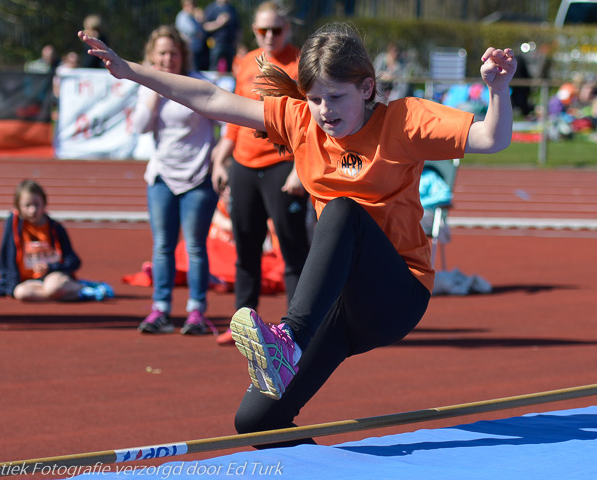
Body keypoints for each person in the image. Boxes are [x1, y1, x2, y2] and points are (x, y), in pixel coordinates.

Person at [79, 22, 515, 445]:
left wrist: (498, 89)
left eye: (336, 97)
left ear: (366, 89)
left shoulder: (403, 121)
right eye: (315, 98)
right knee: (256, 421)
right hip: (341, 307)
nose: (325, 111)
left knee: (343, 211)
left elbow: (491, 139)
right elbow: (212, 97)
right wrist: (130, 69)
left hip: (396, 294)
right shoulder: (300, 120)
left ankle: (288, 338)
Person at [210, 1, 309, 344]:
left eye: (277, 30)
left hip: (284, 166)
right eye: (262, 30)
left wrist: (300, 169)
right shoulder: (246, 62)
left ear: (289, 29)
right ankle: (243, 327)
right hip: (244, 166)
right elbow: (237, 113)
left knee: (293, 249)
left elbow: (311, 123)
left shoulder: (301, 64)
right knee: (246, 248)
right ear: (254, 30)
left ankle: (299, 329)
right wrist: (222, 153)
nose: (269, 36)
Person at [131, 25, 219, 335]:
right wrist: (155, 89)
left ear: (183, 55)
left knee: (195, 247)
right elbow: (139, 126)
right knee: (163, 246)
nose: (168, 59)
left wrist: (219, 161)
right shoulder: (147, 86)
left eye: (174, 53)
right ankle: (161, 309)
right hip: (162, 178)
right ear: (152, 57)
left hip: (197, 178)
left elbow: (225, 122)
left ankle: (196, 311)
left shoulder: (199, 84)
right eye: (162, 54)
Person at [0, 179, 115, 303]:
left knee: (53, 287)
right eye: (27, 205)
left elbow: (74, 261)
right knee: (20, 293)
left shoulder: (55, 228)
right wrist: (0, 289)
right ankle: (71, 294)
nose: (32, 210)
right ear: (18, 206)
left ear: (44, 204)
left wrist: (50, 267)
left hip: (54, 276)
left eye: (36, 205)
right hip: (32, 281)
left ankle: (89, 289)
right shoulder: (13, 226)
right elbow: (6, 258)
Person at [202, 0, 240, 73]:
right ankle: (212, 84)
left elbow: (238, 29)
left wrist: (237, 42)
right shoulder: (211, 8)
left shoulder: (232, 9)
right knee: (214, 68)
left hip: (230, 44)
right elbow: (205, 26)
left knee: (229, 69)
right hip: (216, 43)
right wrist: (218, 23)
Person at [176, 0, 209, 71]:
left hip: (195, 50)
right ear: (184, 5)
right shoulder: (183, 17)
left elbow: (201, 32)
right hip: (188, 50)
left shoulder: (192, 18)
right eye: (189, 5)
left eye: (193, 5)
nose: (192, 7)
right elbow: (192, 31)